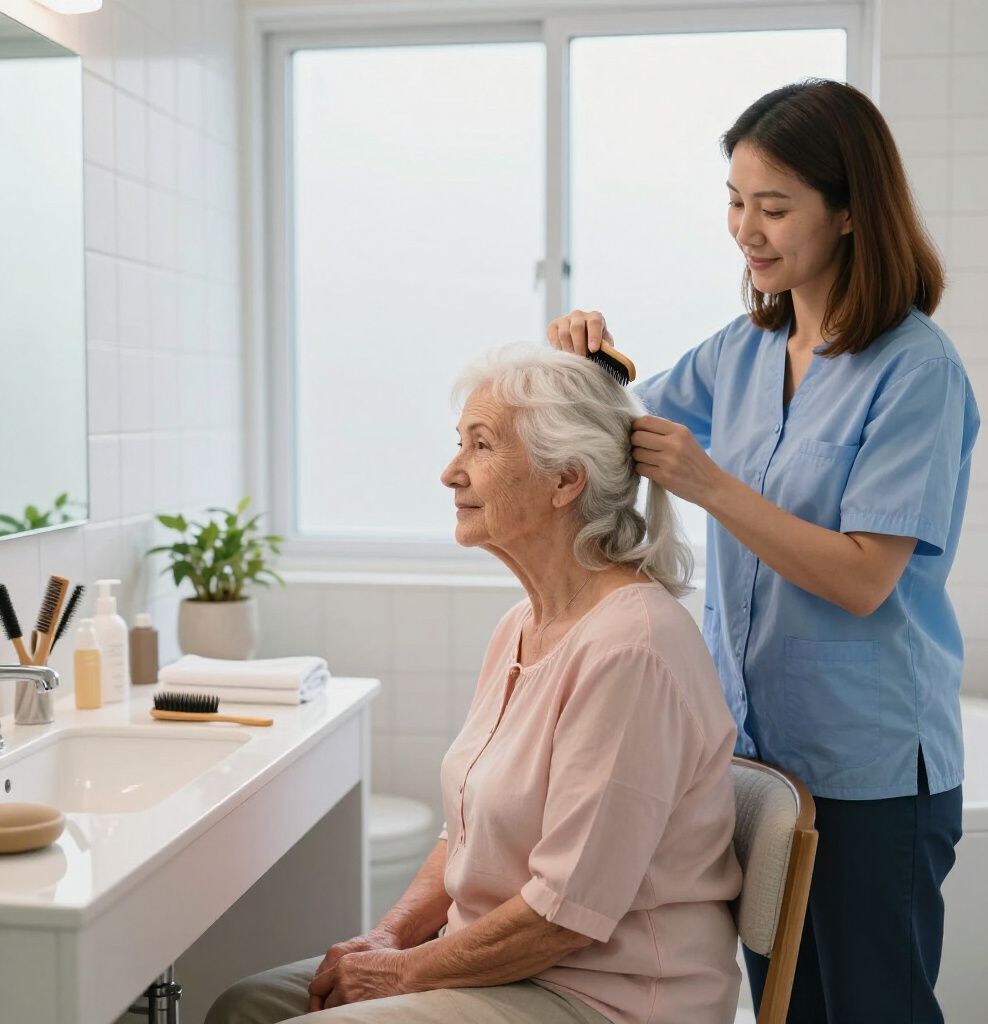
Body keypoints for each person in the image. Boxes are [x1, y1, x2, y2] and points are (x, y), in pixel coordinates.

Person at [549, 79, 980, 1024]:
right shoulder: (742, 351)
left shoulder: (916, 370)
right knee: (787, 1008)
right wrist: (584, 359)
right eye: (736, 201)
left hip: (868, 771)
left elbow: (866, 577)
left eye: (775, 207)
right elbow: (615, 428)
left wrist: (710, 487)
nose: (747, 228)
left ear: (853, 212)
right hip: (756, 761)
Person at [206, 346, 743, 1024]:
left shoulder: (631, 648)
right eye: (459, 443)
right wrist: (390, 935)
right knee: (245, 1006)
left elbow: (565, 913)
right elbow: (462, 834)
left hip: (603, 994)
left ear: (565, 480)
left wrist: (402, 973)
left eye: (481, 446)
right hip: (504, 967)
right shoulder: (521, 626)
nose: (450, 472)